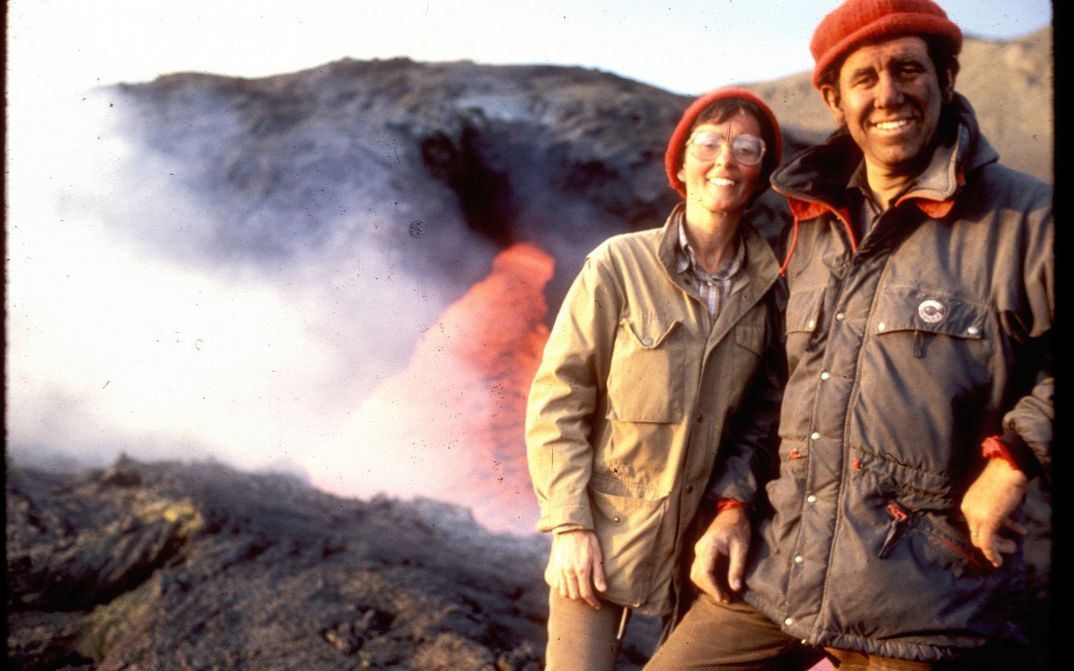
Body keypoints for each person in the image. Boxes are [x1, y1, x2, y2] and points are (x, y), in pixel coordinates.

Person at [645, 0, 1053, 669]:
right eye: (865, 78)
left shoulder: (1026, 222)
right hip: (783, 574)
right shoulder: (814, 226)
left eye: (907, 70)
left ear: (946, 80)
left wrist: (1013, 459)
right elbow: (778, 386)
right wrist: (732, 504)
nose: (888, 93)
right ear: (836, 100)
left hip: (928, 603)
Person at [525, 87, 786, 670]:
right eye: (710, 143)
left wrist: (731, 508)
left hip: (700, 549)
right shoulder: (619, 265)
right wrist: (569, 526)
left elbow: (761, 421)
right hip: (604, 537)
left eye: (747, 148)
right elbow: (558, 400)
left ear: (761, 171)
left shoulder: (771, 288)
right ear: (682, 162)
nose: (726, 161)